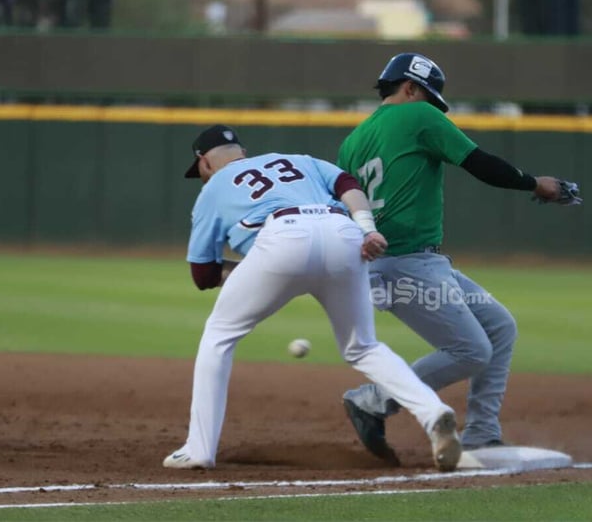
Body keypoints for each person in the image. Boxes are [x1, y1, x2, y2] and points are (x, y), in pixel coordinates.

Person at [163, 124, 462, 472]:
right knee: (363, 347)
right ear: (242, 153)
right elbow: (347, 184)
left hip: (280, 238)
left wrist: (264, 270)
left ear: (204, 163)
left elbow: (203, 275)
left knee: (219, 335)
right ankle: (433, 413)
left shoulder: (213, 188)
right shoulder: (296, 160)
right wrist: (368, 229)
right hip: (343, 233)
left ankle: (199, 449)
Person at [338, 53, 572, 463]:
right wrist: (537, 184)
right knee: (471, 351)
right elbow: (479, 164)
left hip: (396, 264)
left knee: (499, 326)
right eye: (428, 95)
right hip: (407, 262)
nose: (433, 106)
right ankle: (372, 399)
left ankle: (482, 432)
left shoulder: (352, 141)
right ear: (409, 88)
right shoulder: (419, 117)